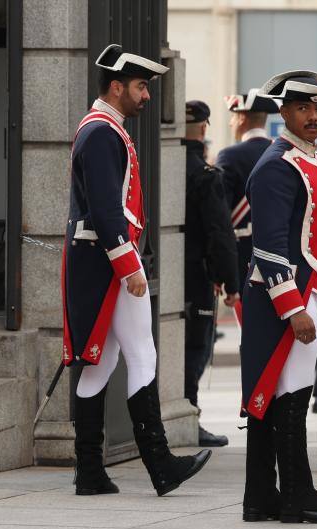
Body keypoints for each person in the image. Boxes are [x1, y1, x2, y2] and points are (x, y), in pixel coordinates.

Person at [62, 44, 211, 497]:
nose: (146, 96)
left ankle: (89, 471)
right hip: (110, 264)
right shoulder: (103, 133)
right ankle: (161, 464)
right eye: (141, 86)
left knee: (100, 363)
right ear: (116, 86)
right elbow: (108, 211)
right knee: (140, 355)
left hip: (98, 263)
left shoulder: (104, 129)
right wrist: (129, 266)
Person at [239, 69, 317, 524]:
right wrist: (293, 310)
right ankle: (296, 497)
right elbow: (268, 246)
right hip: (284, 299)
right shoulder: (277, 165)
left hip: (311, 295)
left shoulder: (313, 162)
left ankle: (264, 497)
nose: (314, 117)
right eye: (304, 108)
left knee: (286, 393)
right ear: (284, 111)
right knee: (285, 393)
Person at [182, 99, 240, 447]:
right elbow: (220, 233)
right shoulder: (205, 175)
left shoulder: (163, 166)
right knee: (196, 347)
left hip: (166, 271)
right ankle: (189, 415)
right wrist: (231, 282)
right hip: (198, 276)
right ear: (203, 130)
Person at [215, 89, 280, 308]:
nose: (231, 123)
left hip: (244, 257)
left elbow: (220, 216)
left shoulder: (229, 156)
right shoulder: (281, 153)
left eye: (233, 117)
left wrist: (221, 271)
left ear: (242, 118)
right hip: (281, 256)